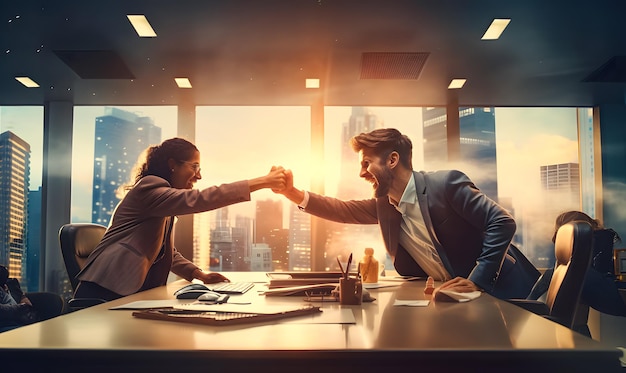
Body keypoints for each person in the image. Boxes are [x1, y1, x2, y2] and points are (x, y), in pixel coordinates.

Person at [275, 128, 539, 299]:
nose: (361, 173)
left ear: (392, 160)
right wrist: (292, 193)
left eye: (366, 163)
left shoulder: (446, 184)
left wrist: (477, 280)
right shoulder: (384, 206)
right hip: (454, 298)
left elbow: (502, 222)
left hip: (506, 293)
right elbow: (342, 210)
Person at [74, 137, 287, 301]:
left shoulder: (162, 201)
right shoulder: (150, 187)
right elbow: (202, 199)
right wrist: (262, 181)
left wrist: (198, 274)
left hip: (126, 292)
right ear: (172, 164)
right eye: (194, 167)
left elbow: (166, 253)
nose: (199, 175)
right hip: (105, 291)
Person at [529, 211, 626, 317]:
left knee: (551, 275)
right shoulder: (601, 243)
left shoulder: (594, 246)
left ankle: (525, 311)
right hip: (608, 292)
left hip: (611, 296)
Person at [1, 265, 38, 331]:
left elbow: (28, 306)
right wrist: (20, 307)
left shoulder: (12, 284)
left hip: (19, 322)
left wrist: (23, 301)